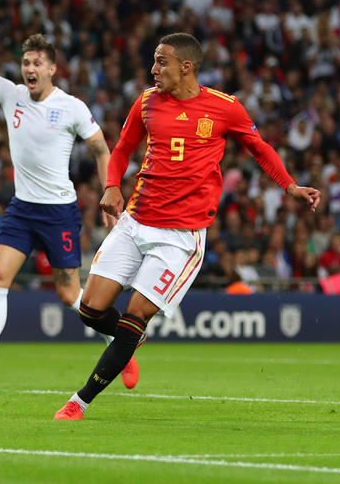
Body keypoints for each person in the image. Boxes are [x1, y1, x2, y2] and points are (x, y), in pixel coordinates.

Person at [53, 33, 321, 420]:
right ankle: (129, 343)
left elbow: (259, 147)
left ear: (186, 66)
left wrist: (290, 186)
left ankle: (79, 402)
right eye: (154, 61)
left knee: (133, 314)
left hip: (180, 237)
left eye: (161, 62)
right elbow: (123, 149)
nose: (153, 69)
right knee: (90, 310)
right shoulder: (146, 101)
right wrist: (112, 185)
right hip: (135, 221)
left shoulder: (225, 108)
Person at [0, 0, 129, 393]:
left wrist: (111, 190)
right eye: (25, 62)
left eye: (37, 62)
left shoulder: (72, 107)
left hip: (59, 212)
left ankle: (117, 341)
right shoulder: (11, 95)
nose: (29, 69)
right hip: (22, 209)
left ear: (52, 68)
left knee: (71, 292)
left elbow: (101, 148)